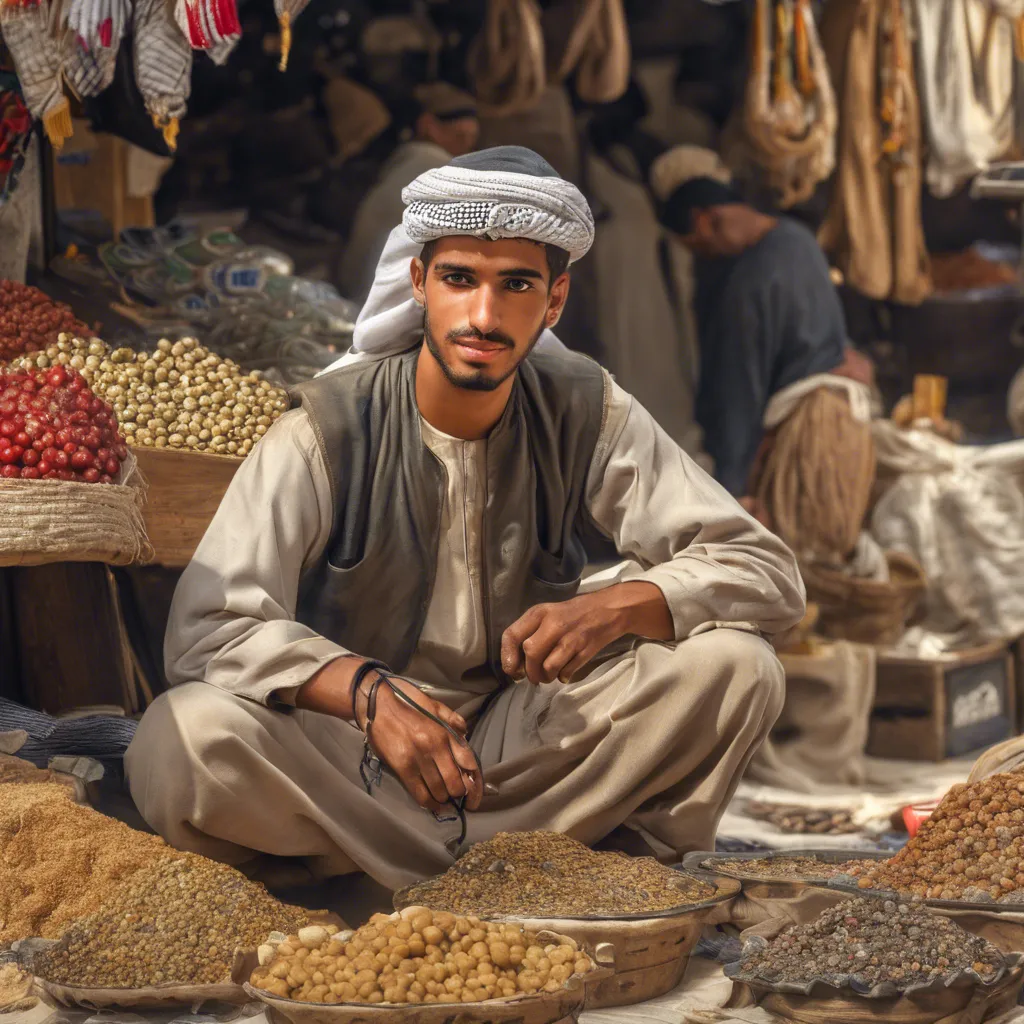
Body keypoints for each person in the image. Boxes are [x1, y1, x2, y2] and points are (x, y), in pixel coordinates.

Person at [126, 146, 805, 891]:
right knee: (181, 740)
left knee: (738, 668)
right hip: (356, 760)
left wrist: (613, 611)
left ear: (555, 301)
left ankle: (598, 882)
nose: (484, 315)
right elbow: (208, 632)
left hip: (527, 751)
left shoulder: (585, 407)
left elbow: (764, 572)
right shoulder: (327, 429)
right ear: (420, 283)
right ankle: (421, 873)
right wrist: (364, 691)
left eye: (516, 285)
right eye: (460, 279)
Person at [650, 145, 873, 499]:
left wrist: (733, 490)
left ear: (704, 220)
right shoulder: (798, 239)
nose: (703, 256)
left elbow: (740, 396)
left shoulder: (748, 286)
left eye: (698, 246)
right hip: (842, 435)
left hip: (795, 449)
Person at [338, 82, 481, 304]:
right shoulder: (430, 162)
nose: (467, 148)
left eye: (472, 140)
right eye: (461, 136)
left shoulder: (411, 161)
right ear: (428, 126)